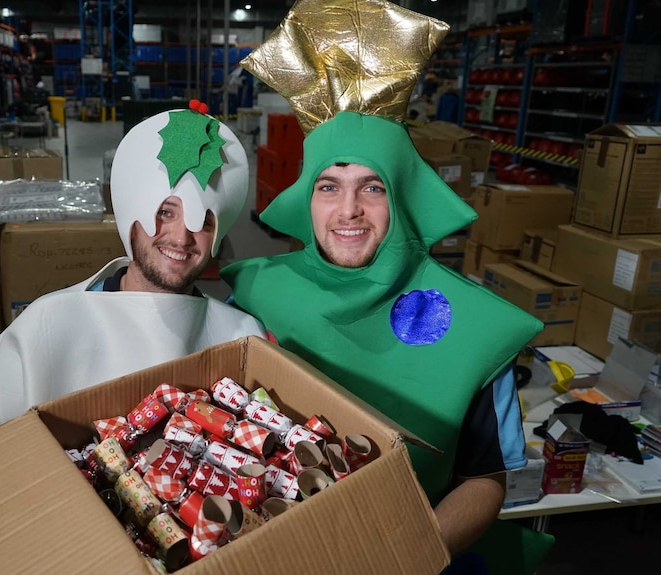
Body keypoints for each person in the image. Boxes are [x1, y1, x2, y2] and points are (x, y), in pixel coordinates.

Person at [221, 1, 553, 573]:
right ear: (308, 199)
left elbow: (485, 478)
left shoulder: (470, 325)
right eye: (329, 186)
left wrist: (400, 556)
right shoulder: (253, 298)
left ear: (399, 196)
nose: (348, 210)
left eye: (371, 187)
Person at [0, 102, 266, 446]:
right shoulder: (44, 326)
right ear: (131, 214)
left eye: (203, 221)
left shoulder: (239, 338)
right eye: (164, 212)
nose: (180, 237)